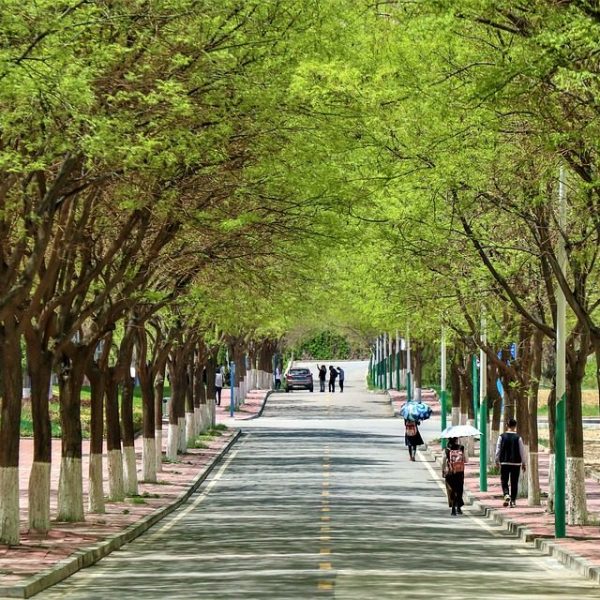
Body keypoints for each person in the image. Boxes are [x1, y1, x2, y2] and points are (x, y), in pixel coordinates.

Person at [495, 418, 526, 507]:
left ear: (506, 425)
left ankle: (506, 494)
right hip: (516, 463)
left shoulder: (502, 436)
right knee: (514, 482)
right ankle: (513, 501)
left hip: (504, 462)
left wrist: (496, 460)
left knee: (504, 480)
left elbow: (498, 449)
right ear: (515, 426)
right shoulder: (518, 438)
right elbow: (522, 451)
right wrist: (524, 463)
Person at [443, 437, 468, 515]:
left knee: (451, 490)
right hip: (460, 471)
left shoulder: (446, 449)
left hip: (450, 472)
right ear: (456, 439)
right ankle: (459, 508)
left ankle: (453, 509)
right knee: (459, 489)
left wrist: (443, 471)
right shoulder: (461, 448)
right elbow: (466, 460)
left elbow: (444, 461)